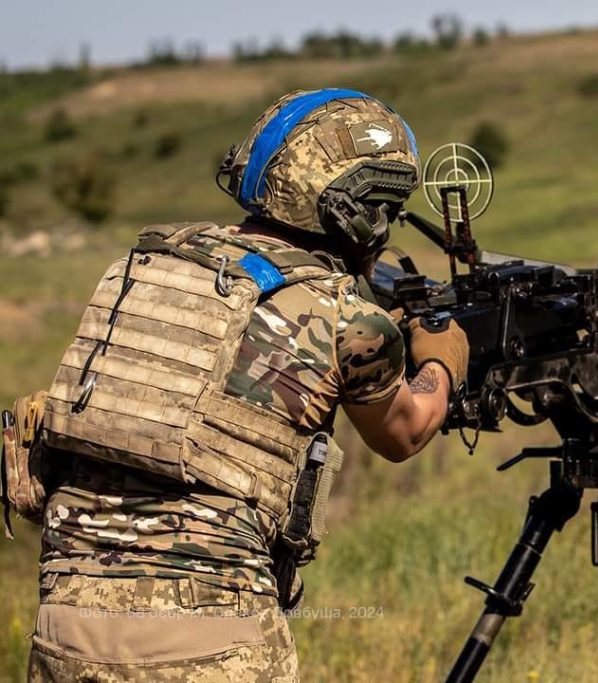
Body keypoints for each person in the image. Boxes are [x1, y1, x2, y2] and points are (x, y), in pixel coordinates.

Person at [16, 88, 468, 682]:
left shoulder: (147, 265)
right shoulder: (349, 321)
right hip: (209, 643)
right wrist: (441, 361)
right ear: (361, 210)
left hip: (63, 627)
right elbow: (405, 432)